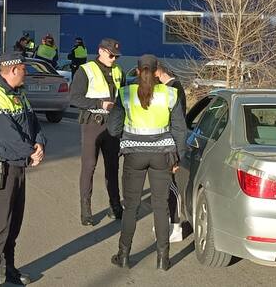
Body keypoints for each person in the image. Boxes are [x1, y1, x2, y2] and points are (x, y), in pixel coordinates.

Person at [106, 54, 187, 271]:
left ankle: (123, 255)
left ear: (138, 71)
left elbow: (113, 129)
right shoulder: (171, 94)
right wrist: (178, 156)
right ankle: (163, 258)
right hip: (162, 155)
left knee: (131, 206)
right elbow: (180, 129)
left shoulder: (125, 93)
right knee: (161, 206)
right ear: (156, 70)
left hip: (134, 156)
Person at [0, 53, 46, 287]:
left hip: (17, 166)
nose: (26, 72)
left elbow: (33, 122)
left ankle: (9, 270)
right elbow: (7, 137)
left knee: (14, 222)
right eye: (24, 68)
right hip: (1, 169)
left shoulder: (17, 93)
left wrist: (40, 143)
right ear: (13, 70)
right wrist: (30, 152)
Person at [69, 37, 125, 225]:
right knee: (89, 166)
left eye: (116, 56)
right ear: (101, 51)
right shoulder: (85, 70)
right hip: (93, 123)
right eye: (111, 55)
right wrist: (99, 104)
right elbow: (75, 98)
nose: (114, 59)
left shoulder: (119, 71)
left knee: (113, 167)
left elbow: (123, 97)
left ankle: (115, 206)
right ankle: (86, 211)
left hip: (113, 124)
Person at [155, 60, 188, 238]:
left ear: (157, 73)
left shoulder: (173, 88)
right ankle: (168, 223)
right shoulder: (174, 86)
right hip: (166, 144)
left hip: (171, 146)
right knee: (164, 187)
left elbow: (178, 124)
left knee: (171, 186)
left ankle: (175, 226)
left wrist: (177, 154)